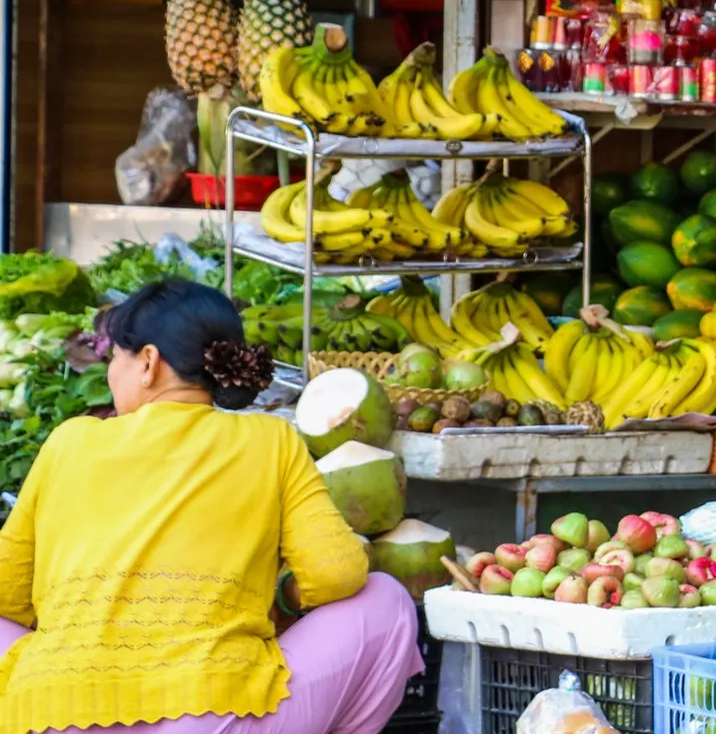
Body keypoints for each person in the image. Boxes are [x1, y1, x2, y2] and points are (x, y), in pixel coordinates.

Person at [0, 280, 421, 734]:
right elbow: (338, 573)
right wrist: (282, 597)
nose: (110, 374)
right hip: (212, 714)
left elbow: (9, 590)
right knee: (387, 601)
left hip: (54, 717)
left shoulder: (70, 441)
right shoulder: (271, 440)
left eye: (113, 359)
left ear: (147, 363)